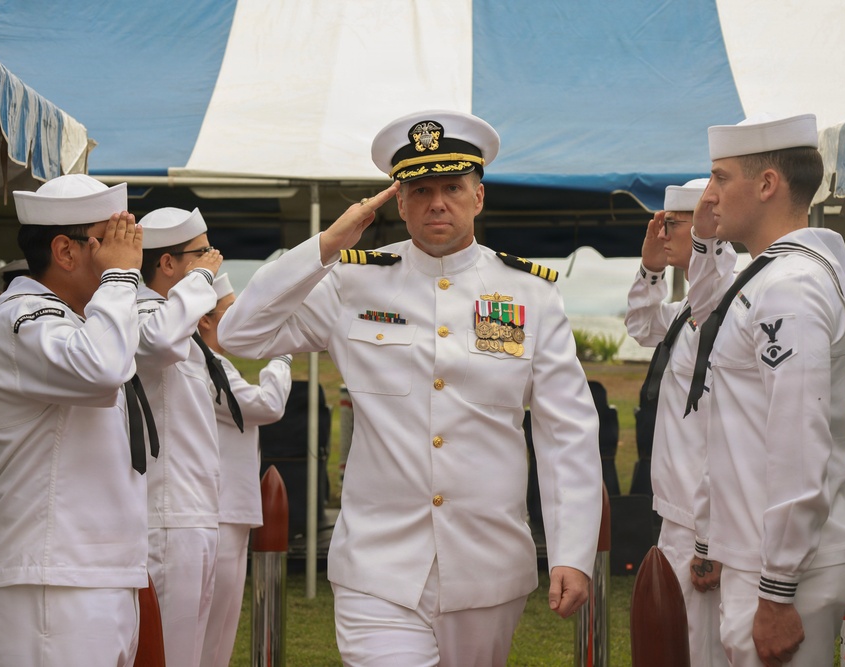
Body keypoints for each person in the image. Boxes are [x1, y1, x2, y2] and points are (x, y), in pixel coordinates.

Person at [217, 110, 602, 666]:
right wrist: (324, 247)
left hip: (486, 565)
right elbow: (240, 333)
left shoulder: (529, 294)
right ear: (398, 203)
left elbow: (567, 430)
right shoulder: (352, 279)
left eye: (452, 187)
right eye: (420, 190)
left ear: (479, 197)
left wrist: (573, 551)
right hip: (378, 563)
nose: (436, 202)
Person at [685, 113, 845, 666]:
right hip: (759, 554)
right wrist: (713, 535)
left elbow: (798, 442)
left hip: (788, 566)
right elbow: (738, 424)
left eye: (720, 178)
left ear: (767, 185)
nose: (708, 196)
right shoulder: (771, 275)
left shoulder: (790, 286)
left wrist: (779, 587)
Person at [0, 174, 149, 665]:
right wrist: (121, 279)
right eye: (110, 242)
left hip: (94, 572)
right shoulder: (22, 319)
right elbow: (102, 368)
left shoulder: (78, 322)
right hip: (51, 578)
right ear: (65, 252)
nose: (127, 254)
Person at [624, 177, 734, 666]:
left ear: (709, 227)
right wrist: (650, 267)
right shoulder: (688, 308)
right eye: (663, 222)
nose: (664, 231)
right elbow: (642, 326)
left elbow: (726, 434)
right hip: (676, 509)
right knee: (675, 645)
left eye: (675, 223)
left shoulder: (731, 306)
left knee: (704, 649)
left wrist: (710, 537)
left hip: (705, 514)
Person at [136, 207, 224, 667]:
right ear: (167, 264)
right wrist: (200, 283)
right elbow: (157, 343)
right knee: (168, 653)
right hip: (167, 513)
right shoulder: (147, 313)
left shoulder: (180, 320)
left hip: (195, 511)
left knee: (190, 652)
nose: (215, 260)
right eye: (202, 253)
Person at [197, 273, 293, 667]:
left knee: (219, 631)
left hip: (226, 510)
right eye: (229, 312)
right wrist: (283, 358)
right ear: (205, 320)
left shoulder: (212, 363)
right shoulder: (205, 364)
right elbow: (266, 405)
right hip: (217, 510)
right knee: (210, 633)